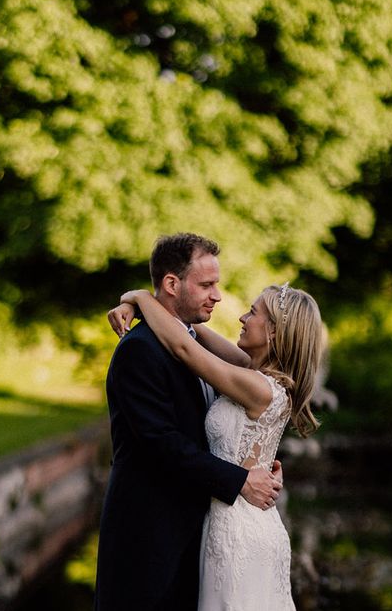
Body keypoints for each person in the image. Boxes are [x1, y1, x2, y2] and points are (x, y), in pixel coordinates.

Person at [94, 233, 284, 611]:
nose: (217, 295)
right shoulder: (139, 350)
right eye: (206, 285)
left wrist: (258, 464)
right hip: (149, 541)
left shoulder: (198, 347)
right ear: (171, 284)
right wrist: (242, 480)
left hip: (200, 537)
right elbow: (161, 444)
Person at [112, 279, 324, 610]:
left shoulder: (257, 387)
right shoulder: (251, 372)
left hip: (237, 533)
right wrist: (144, 305)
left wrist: (138, 295)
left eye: (253, 312)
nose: (242, 317)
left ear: (272, 332)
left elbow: (184, 348)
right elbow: (190, 331)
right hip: (233, 519)